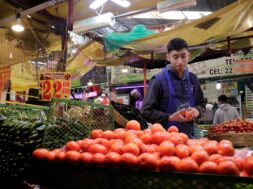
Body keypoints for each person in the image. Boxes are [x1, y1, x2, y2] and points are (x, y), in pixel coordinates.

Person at [141, 38, 206, 138]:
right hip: (164, 141)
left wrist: (196, 111)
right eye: (175, 57)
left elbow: (202, 104)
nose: (180, 61)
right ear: (168, 57)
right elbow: (146, 112)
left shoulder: (193, 79)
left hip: (189, 139)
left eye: (183, 56)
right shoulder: (158, 80)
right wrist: (170, 117)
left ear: (188, 55)